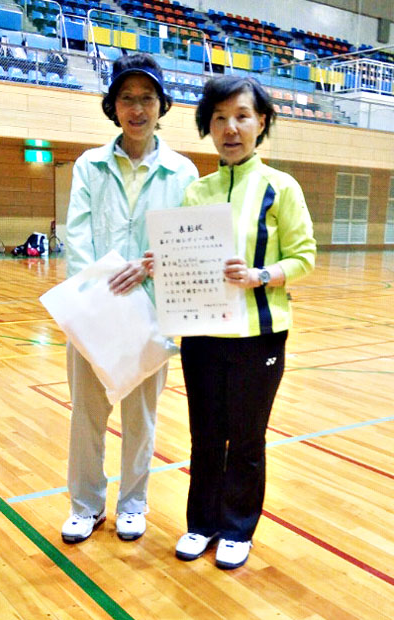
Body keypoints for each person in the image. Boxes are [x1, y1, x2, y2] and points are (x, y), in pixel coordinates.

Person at [174, 75, 316, 569]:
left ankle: (237, 528)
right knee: (205, 436)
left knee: (247, 438)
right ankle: (201, 523)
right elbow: (187, 257)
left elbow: (304, 256)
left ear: (262, 122)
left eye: (241, 116)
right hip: (202, 337)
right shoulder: (196, 192)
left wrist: (261, 276)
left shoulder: (282, 187)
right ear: (208, 126)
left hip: (260, 336)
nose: (230, 128)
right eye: (219, 118)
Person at [62, 53, 198, 544]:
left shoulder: (183, 173)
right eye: (126, 98)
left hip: (152, 314)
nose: (137, 108)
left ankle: (133, 504)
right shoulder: (89, 165)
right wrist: (101, 295)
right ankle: (85, 505)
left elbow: (182, 244)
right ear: (113, 106)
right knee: (87, 415)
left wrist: (151, 267)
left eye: (147, 98)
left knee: (141, 417)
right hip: (93, 310)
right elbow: (77, 237)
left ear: (162, 105)